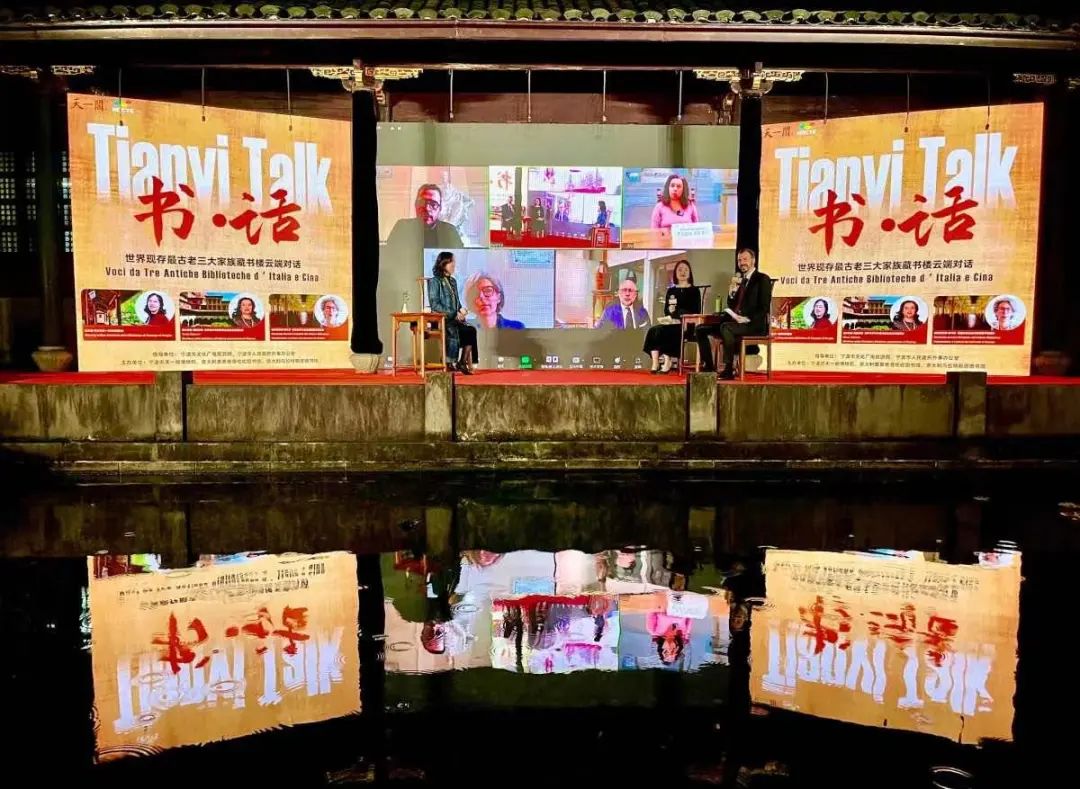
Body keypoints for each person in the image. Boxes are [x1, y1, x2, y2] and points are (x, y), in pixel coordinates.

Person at [695, 248, 771, 379]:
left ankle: (728, 369)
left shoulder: (762, 279)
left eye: (745, 259)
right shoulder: (740, 281)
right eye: (739, 260)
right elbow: (732, 305)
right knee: (700, 329)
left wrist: (748, 319)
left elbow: (764, 307)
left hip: (753, 324)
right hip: (735, 322)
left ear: (753, 260)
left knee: (726, 328)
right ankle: (708, 366)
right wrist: (731, 293)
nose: (742, 263)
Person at [642, 259, 700, 374]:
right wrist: (669, 312)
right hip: (671, 322)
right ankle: (655, 363)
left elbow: (696, 311)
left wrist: (680, 317)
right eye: (680, 270)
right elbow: (666, 311)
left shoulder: (694, 291)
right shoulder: (671, 290)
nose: (683, 272)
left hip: (687, 325)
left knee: (670, 330)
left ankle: (667, 361)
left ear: (690, 273)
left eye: (686, 270)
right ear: (675, 273)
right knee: (654, 330)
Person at [427, 251, 478, 374]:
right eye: (451, 262)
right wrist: (454, 314)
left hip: (453, 319)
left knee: (471, 330)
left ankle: (462, 362)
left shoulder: (453, 281)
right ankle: (449, 362)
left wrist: (461, 310)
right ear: (443, 263)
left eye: (454, 262)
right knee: (457, 330)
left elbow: (456, 302)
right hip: (442, 320)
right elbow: (435, 305)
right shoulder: (435, 281)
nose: (454, 265)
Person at [384, 183, 464, 250]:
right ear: (416, 205)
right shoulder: (402, 227)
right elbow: (390, 257)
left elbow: (459, 258)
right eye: (422, 202)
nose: (427, 208)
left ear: (440, 209)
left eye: (433, 204)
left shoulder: (450, 231)